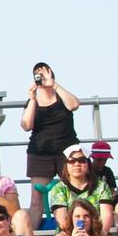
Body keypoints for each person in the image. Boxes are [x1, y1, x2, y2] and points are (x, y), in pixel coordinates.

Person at [21, 64, 81, 198]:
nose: (41, 78)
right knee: (37, 200)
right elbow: (26, 125)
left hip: (67, 151)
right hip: (40, 153)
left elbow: (74, 105)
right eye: (38, 75)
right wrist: (32, 98)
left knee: (74, 195)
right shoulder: (32, 101)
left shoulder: (61, 96)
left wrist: (54, 85)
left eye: (44, 74)